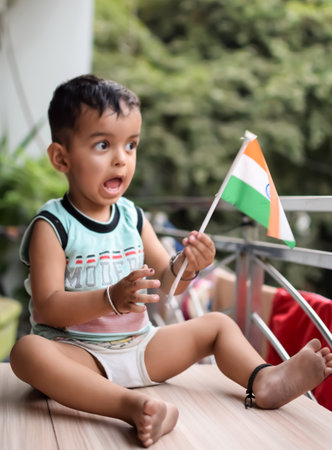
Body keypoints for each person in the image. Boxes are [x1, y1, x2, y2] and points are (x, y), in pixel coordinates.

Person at [10, 75, 332, 448]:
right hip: (80, 357)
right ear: (61, 157)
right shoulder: (53, 225)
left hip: (141, 347)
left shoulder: (132, 217)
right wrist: (109, 299)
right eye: (103, 145)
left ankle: (264, 380)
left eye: (131, 145)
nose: (121, 159)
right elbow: (48, 308)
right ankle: (132, 406)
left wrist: (189, 265)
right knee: (27, 352)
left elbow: (168, 284)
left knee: (215, 325)